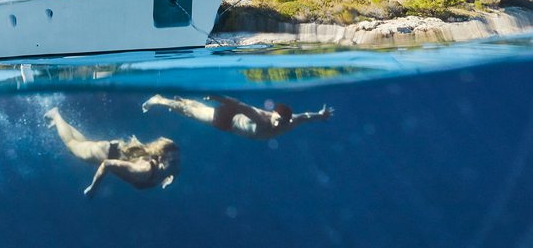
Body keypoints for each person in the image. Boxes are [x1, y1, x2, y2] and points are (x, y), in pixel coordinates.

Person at [44, 107, 180, 198]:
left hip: (113, 148)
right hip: (106, 153)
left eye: (177, 161)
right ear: (161, 159)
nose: (177, 166)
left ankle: (62, 124)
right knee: (72, 145)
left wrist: (167, 179)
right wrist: (93, 188)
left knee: (82, 143)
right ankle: (56, 115)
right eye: (174, 162)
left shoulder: (168, 171)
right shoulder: (142, 170)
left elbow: (172, 172)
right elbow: (107, 164)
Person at [142, 94, 334, 140]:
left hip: (232, 121)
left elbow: (307, 116)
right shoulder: (261, 118)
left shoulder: (292, 122)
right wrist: (218, 98)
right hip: (228, 120)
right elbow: (240, 106)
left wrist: (321, 115)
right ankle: (160, 100)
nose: (276, 123)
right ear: (273, 114)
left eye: (280, 122)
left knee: (198, 111)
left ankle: (182, 101)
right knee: (191, 114)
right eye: (276, 119)